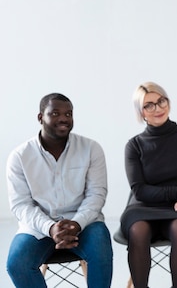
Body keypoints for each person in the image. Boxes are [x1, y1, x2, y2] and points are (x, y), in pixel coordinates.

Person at [6, 92, 113, 288]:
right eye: (55, 113)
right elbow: (21, 205)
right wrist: (50, 227)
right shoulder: (20, 156)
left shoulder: (91, 148)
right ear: (40, 118)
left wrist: (77, 223)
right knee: (17, 264)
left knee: (101, 251)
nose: (64, 118)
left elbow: (96, 195)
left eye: (68, 114)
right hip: (38, 227)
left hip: (85, 224)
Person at [119, 82, 177, 288]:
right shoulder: (134, 146)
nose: (158, 108)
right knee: (138, 231)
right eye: (149, 105)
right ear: (140, 112)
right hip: (142, 207)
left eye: (161, 101)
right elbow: (140, 191)